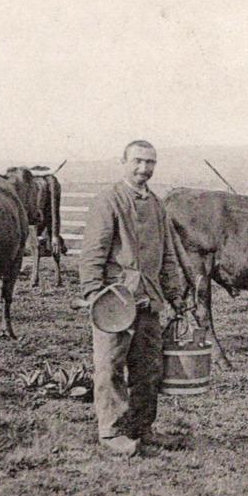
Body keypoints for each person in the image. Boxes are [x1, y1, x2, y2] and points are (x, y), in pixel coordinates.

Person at [79, 140, 186, 457]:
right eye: (138, 161)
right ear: (123, 162)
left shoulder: (156, 205)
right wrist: (94, 293)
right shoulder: (108, 201)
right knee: (110, 365)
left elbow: (167, 256)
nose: (144, 169)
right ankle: (111, 432)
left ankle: (142, 427)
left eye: (150, 162)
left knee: (147, 368)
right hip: (115, 301)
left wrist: (175, 296)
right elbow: (92, 253)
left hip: (149, 299)